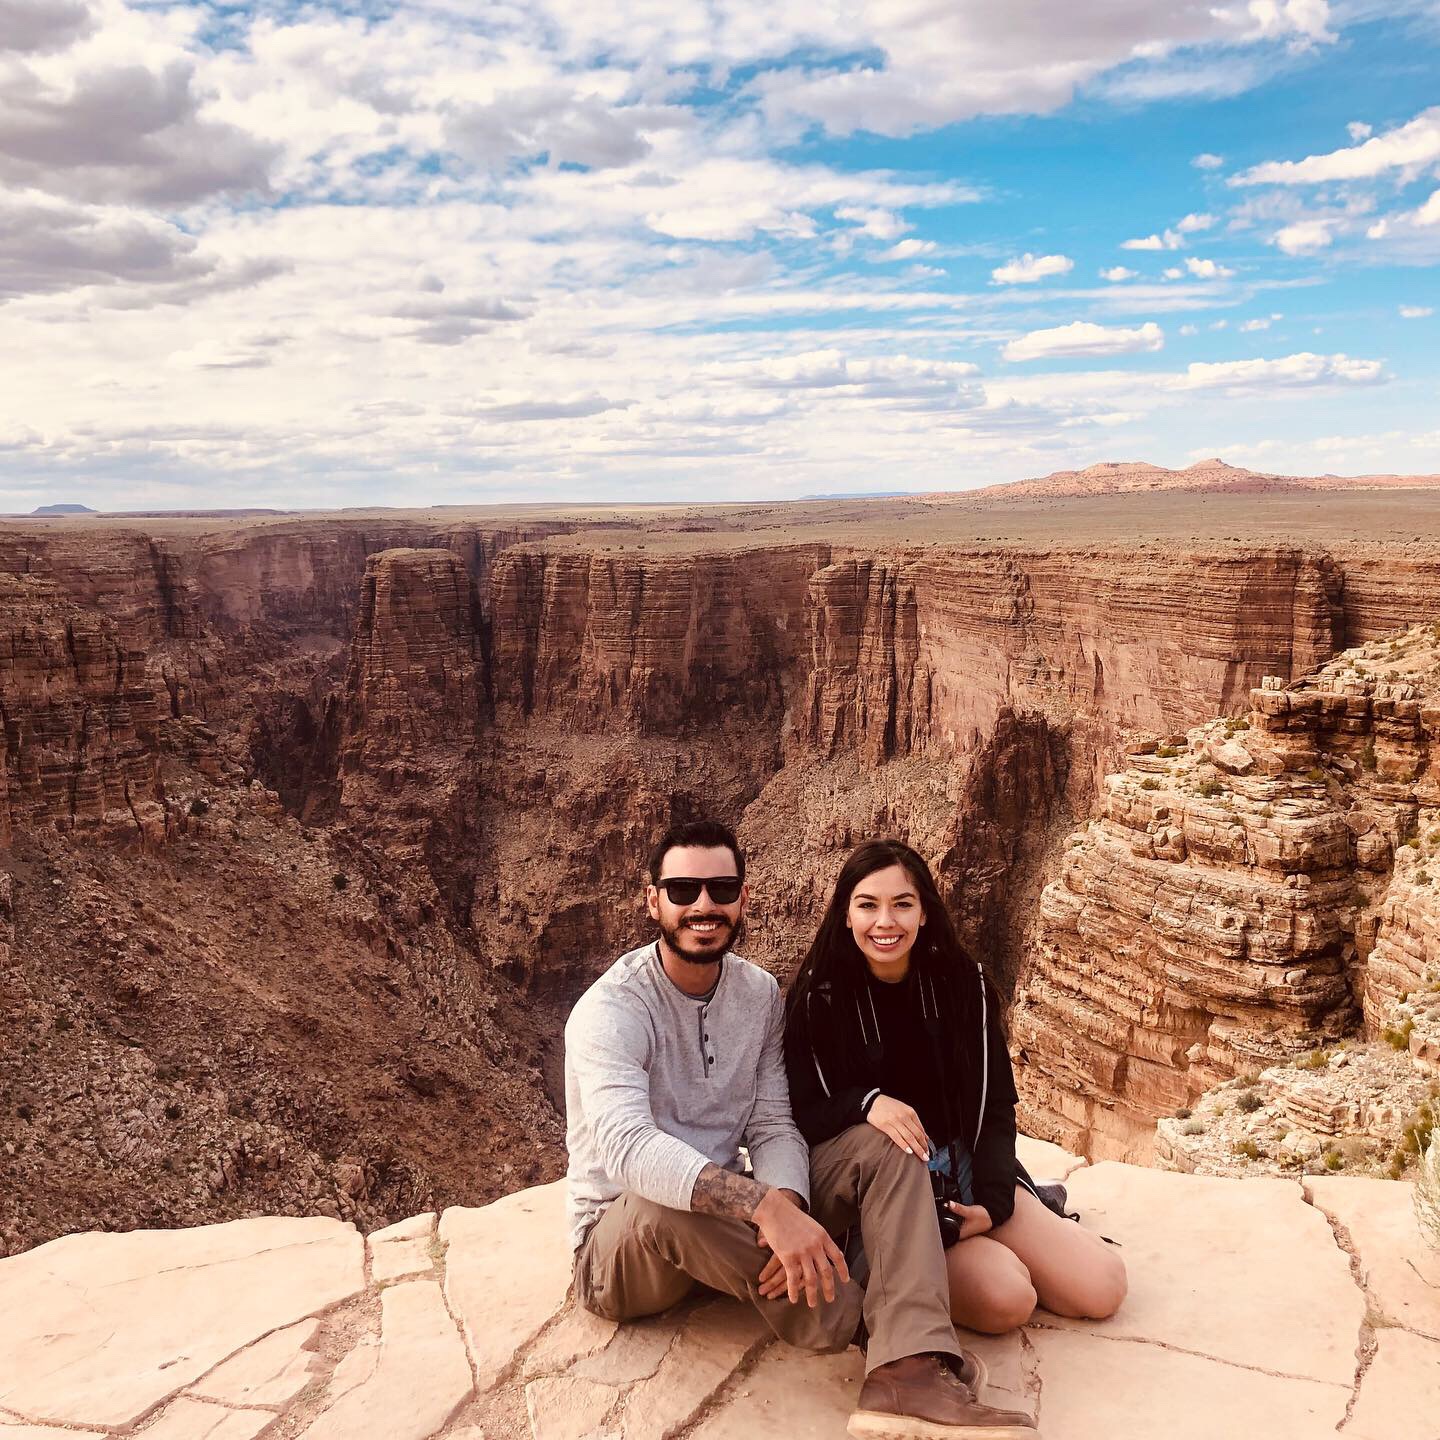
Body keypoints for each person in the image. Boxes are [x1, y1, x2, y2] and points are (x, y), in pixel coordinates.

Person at [566, 820, 1037, 1440]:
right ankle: (865, 1326)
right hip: (624, 1251)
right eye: (682, 890)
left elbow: (773, 1122)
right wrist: (764, 1209)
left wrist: (787, 1202)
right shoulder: (612, 1009)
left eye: (720, 889)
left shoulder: (757, 993)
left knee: (886, 1139)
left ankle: (907, 1368)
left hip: (729, 1229)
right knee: (661, 1201)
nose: (703, 905)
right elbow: (628, 1149)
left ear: (743, 898)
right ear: (653, 901)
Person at [783, 839, 1127, 1356]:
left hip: (965, 1171)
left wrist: (992, 1204)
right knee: (1008, 1299)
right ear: (846, 914)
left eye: (902, 904)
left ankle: (1017, 1223)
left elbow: (995, 1106)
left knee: (1103, 1287)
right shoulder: (819, 1001)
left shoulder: (964, 985)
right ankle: (919, 1262)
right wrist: (866, 1103)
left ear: (924, 912)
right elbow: (804, 1115)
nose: (885, 922)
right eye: (868, 905)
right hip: (896, 1198)